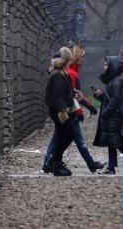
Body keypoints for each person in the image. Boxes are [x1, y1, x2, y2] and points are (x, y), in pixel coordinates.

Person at [42, 45, 105, 173]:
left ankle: (52, 162)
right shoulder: (63, 74)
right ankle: (55, 163)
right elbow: (60, 96)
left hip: (65, 111)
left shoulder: (66, 73)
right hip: (64, 112)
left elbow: (70, 93)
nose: (83, 60)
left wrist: (82, 102)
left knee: (61, 137)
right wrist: (76, 110)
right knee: (70, 137)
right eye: (81, 57)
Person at [44, 47, 75, 176]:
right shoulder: (58, 75)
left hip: (59, 110)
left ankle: (55, 162)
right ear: (66, 61)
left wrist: (73, 94)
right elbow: (57, 95)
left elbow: (63, 92)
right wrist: (63, 110)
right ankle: (55, 163)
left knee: (64, 136)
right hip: (59, 112)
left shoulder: (60, 73)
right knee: (67, 135)